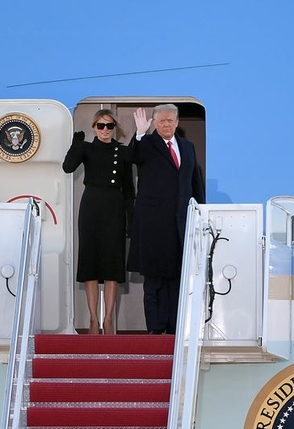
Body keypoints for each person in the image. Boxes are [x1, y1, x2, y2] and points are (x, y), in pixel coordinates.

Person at [127, 104, 205, 334]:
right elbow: (131, 157)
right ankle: (155, 328)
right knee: (154, 282)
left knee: (177, 281)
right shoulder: (147, 144)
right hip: (153, 225)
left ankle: (174, 327)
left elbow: (194, 183)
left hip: (180, 225)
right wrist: (140, 133)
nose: (166, 124)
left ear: (177, 122)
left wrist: (199, 213)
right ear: (154, 122)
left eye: (170, 120)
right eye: (161, 121)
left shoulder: (187, 147)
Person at [62, 109, 135, 335]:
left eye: (109, 126)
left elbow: (129, 189)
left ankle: (108, 319)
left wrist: (130, 218)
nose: (105, 130)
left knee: (112, 265)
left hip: (114, 206)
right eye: (101, 126)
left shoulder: (122, 152)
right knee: (90, 264)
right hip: (91, 205)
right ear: (94, 127)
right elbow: (68, 167)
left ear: (115, 129)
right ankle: (93, 319)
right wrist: (76, 145)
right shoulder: (86, 148)